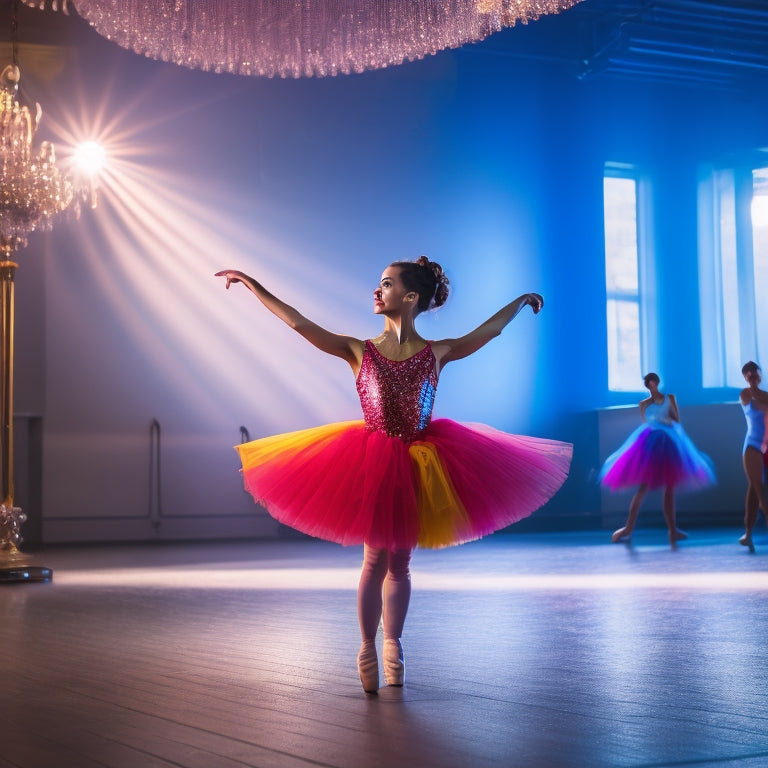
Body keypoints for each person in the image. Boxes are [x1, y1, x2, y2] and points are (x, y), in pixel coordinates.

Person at [215, 256, 572, 694]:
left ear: (410, 297)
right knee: (373, 559)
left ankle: (393, 645)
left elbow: (488, 333)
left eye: (385, 284)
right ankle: (366, 646)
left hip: (421, 462)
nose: (376, 290)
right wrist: (253, 285)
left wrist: (519, 302)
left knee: (400, 562)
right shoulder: (358, 350)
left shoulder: (436, 353)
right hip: (373, 459)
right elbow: (300, 325)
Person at [599, 372, 715, 548]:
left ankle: (672, 529)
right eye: (649, 384)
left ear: (657, 383)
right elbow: (648, 421)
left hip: (667, 440)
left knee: (669, 487)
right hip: (651, 442)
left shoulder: (670, 398)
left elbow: (676, 419)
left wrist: (666, 418)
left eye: (653, 382)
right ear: (647, 386)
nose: (651, 385)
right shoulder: (644, 403)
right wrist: (661, 420)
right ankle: (628, 528)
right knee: (644, 486)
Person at [738, 361, 768, 552]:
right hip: (752, 445)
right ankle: (749, 533)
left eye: (755, 374)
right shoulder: (746, 393)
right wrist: (752, 384)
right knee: (759, 488)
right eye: (749, 375)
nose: (752, 376)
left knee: (754, 491)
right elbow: (758, 402)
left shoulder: (765, 395)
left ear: (760, 375)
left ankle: (748, 534)